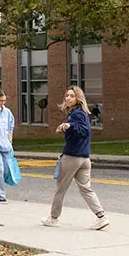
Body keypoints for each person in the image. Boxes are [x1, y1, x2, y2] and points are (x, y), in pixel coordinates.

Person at [42, 86, 110, 230]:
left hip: (72, 157)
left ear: (78, 99)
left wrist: (69, 125)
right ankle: (101, 217)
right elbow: (83, 129)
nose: (68, 98)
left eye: (72, 96)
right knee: (86, 189)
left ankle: (53, 218)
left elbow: (83, 130)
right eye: (67, 95)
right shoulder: (82, 113)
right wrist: (67, 125)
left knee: (60, 189)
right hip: (84, 158)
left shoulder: (77, 114)